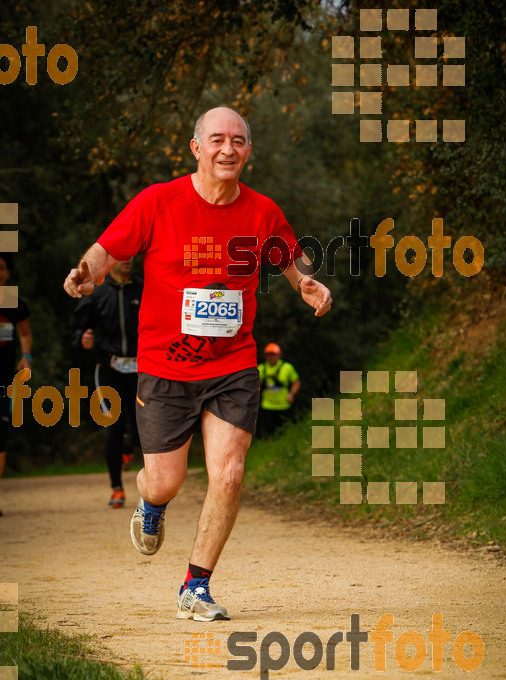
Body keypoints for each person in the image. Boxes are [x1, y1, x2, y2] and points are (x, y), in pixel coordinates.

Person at [64, 106, 332, 621]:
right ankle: (150, 504)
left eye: (238, 141)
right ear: (196, 148)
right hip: (166, 367)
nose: (227, 149)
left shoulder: (262, 212)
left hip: (232, 363)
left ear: (248, 150)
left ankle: (196, 585)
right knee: (165, 480)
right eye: (217, 140)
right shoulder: (158, 202)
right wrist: (85, 272)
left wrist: (306, 283)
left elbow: (291, 256)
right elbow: (105, 249)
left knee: (229, 473)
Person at [70, 258, 142, 508]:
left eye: (131, 257)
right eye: (122, 258)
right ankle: (117, 488)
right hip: (108, 369)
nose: (128, 262)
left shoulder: (143, 289)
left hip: (141, 369)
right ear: (111, 263)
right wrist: (83, 339)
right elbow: (77, 329)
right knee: (113, 425)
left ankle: (130, 448)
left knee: (140, 427)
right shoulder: (98, 293)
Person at [0, 253, 32, 514]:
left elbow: (24, 332)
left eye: (1, 268)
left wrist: (26, 356)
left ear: (8, 273)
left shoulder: (12, 303)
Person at [258, 342, 300, 437]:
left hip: (284, 405)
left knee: (284, 431)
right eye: (269, 354)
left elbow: (296, 382)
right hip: (267, 405)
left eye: (274, 354)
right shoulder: (261, 368)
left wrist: (292, 394)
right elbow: (256, 385)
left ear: (279, 355)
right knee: (269, 432)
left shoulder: (287, 367)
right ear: (265, 356)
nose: (271, 357)